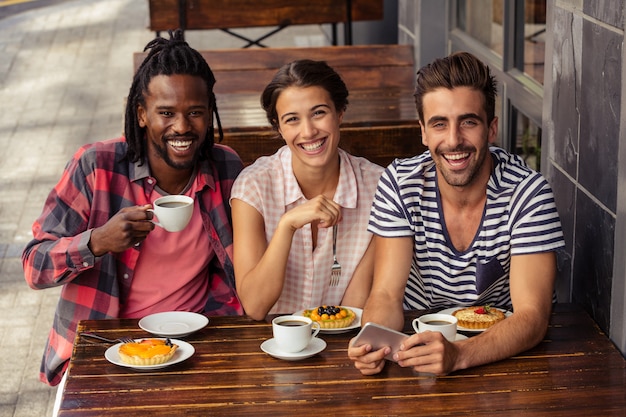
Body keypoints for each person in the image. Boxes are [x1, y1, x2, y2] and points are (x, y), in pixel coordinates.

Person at [22, 30, 243, 387]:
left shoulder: (226, 168)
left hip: (196, 338)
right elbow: (34, 266)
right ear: (141, 114)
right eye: (166, 112)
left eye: (196, 113)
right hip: (108, 342)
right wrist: (97, 241)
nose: (182, 127)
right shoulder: (97, 166)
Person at [348, 52, 565, 376]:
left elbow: (532, 318)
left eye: (468, 121)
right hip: (415, 346)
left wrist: (459, 355)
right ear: (423, 132)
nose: (453, 141)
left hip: (503, 353)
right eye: (439, 124)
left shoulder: (529, 194)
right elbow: (386, 294)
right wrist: (373, 341)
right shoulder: (400, 183)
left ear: (491, 129)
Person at [230, 60, 384, 320]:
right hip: (269, 341)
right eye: (292, 119)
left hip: (343, 335)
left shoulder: (378, 187)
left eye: (319, 113)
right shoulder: (253, 186)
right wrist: (287, 225)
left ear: (340, 113)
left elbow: (354, 307)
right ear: (279, 127)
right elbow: (255, 306)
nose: (309, 131)